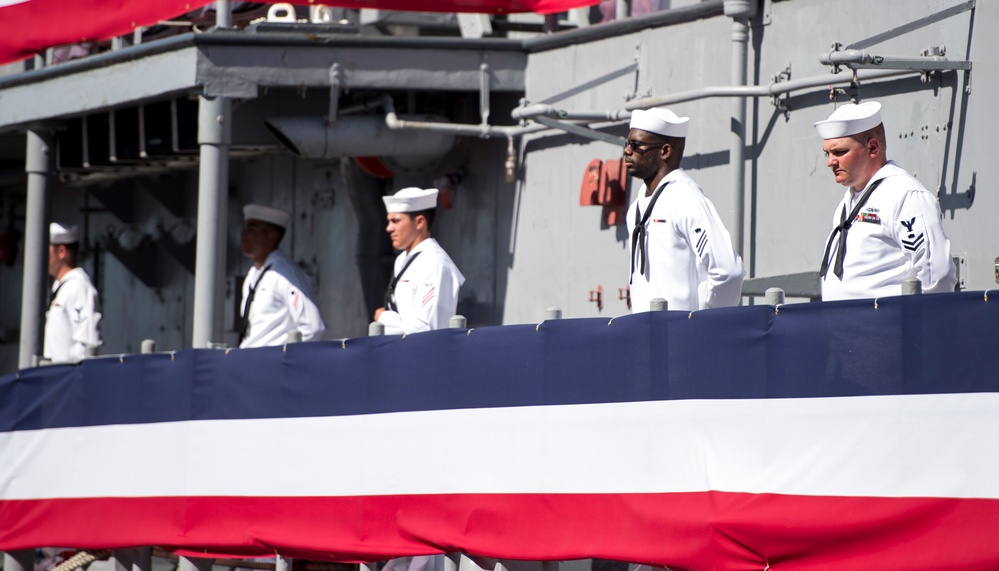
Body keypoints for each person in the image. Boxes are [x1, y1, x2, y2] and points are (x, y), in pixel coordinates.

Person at [814, 101, 957, 300]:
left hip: (886, 327)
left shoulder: (904, 195)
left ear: (872, 147)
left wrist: (915, 325)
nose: (830, 162)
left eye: (839, 152)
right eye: (827, 153)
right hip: (845, 327)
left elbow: (937, 276)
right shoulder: (848, 203)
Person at [624, 107, 745, 312]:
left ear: (665, 151)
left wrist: (704, 323)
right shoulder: (636, 207)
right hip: (644, 335)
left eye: (636, 145)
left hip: (683, 337)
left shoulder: (684, 198)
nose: (627, 151)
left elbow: (728, 271)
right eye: (627, 144)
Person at [374, 187, 464, 334]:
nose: (389, 228)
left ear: (419, 222)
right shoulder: (402, 260)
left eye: (395, 221)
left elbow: (429, 329)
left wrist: (384, 318)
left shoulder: (435, 264)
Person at [239, 204, 325, 348]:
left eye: (251, 230)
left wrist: (283, 361)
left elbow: (313, 328)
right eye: (244, 228)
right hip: (250, 362)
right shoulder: (254, 273)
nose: (243, 234)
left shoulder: (285, 272)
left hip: (270, 365)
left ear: (272, 235)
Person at [44, 223, 102, 362]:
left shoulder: (79, 287)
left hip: (67, 380)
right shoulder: (61, 287)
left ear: (61, 252)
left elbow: (88, 346)